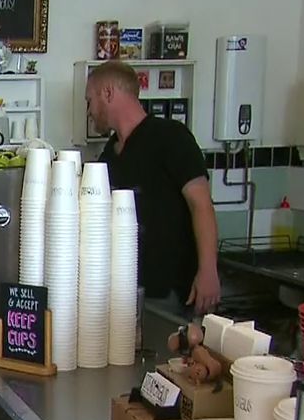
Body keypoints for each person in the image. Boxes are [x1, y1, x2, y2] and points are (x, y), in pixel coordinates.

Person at [85, 60, 221, 314]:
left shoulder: (171, 137)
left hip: (169, 290)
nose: (89, 111)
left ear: (108, 93)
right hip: (125, 290)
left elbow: (201, 204)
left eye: (90, 100)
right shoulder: (110, 153)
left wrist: (208, 271)